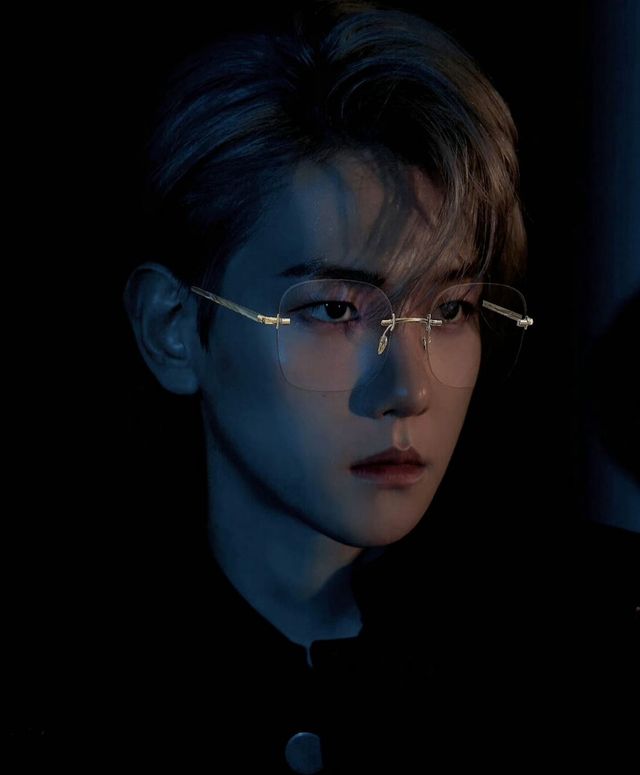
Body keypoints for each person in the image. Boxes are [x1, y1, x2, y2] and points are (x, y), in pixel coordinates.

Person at [106, 1, 633, 771]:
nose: (408, 388)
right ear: (172, 328)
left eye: (449, 309)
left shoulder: (601, 641)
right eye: (334, 310)